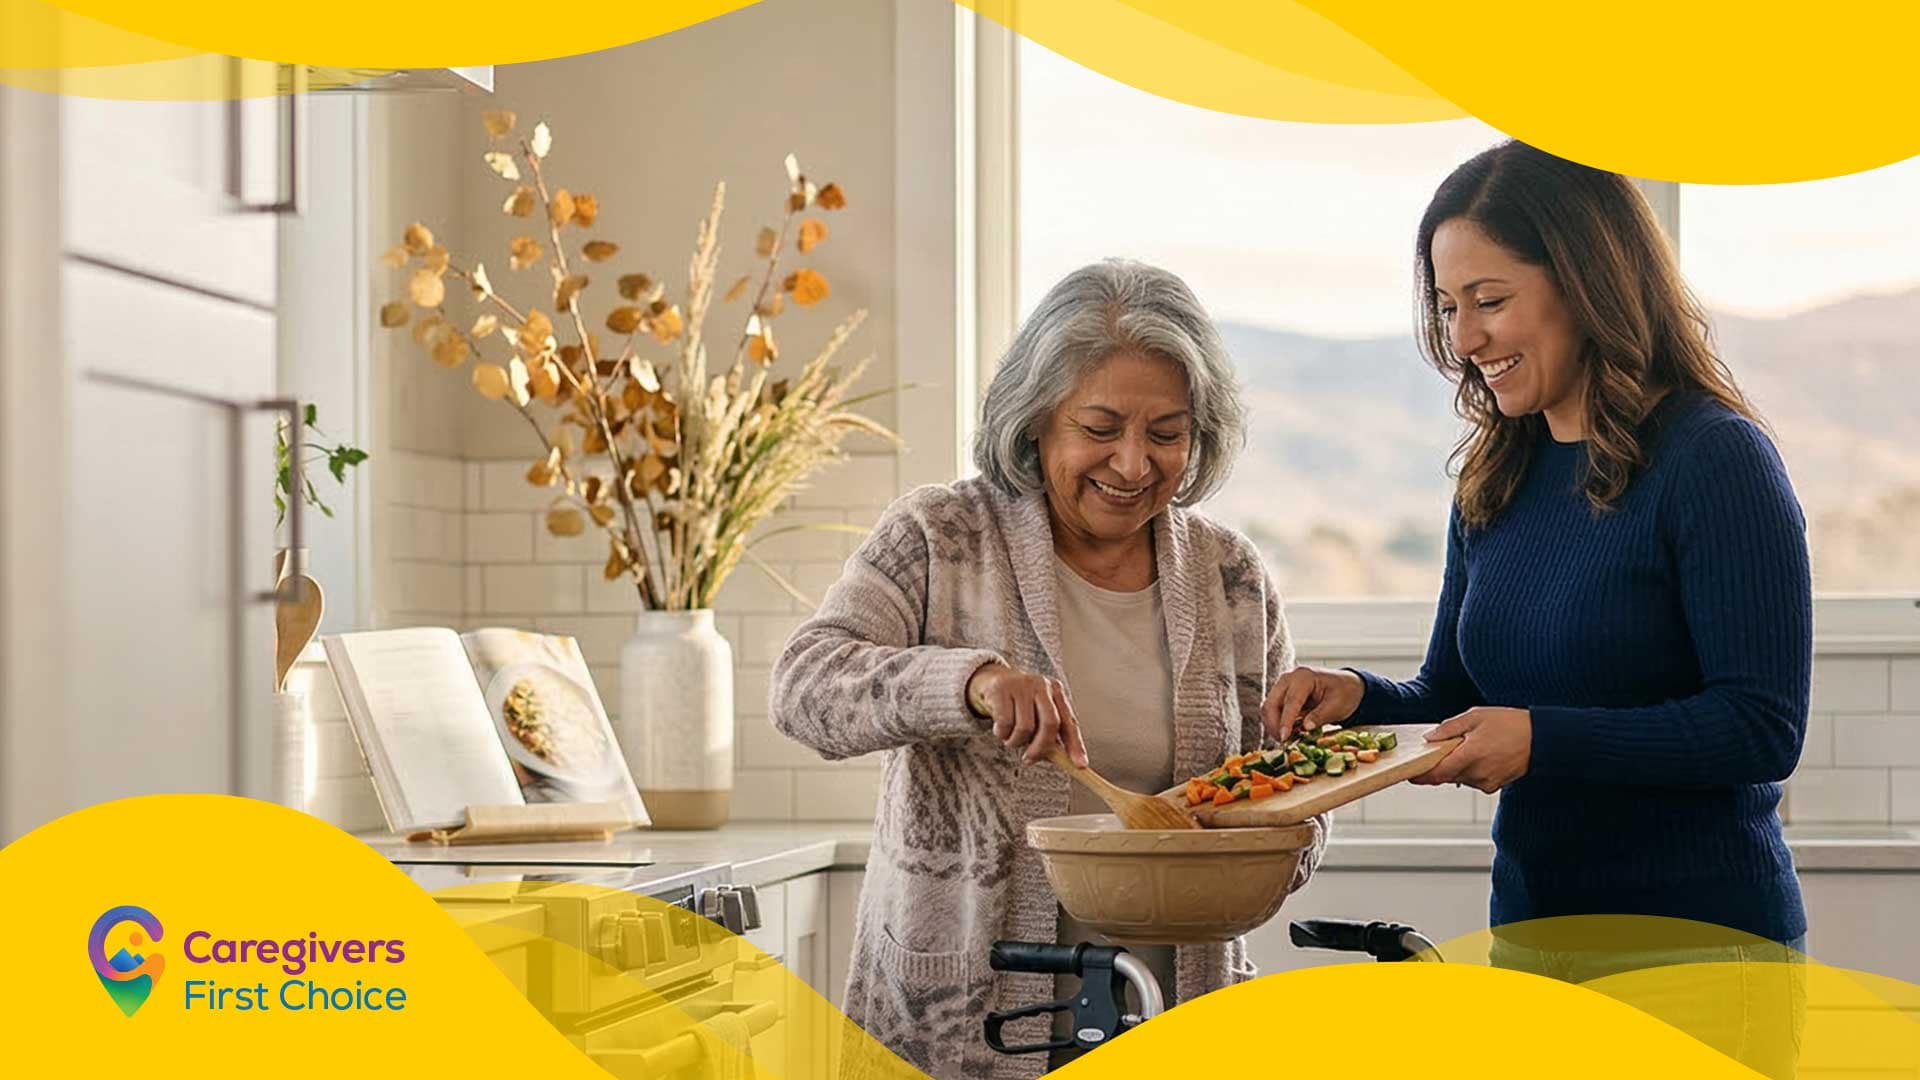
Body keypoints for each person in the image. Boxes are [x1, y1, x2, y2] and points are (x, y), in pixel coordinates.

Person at [1263, 140, 1810, 1074]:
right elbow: (1456, 694)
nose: (1465, 338)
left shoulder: (1714, 460)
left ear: (1589, 281)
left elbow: (1760, 728)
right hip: (1531, 937)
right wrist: (1355, 695)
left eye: (1490, 299)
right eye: (1447, 306)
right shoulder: (1496, 476)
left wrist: (1543, 741)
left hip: (1700, 953)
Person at [771, 259, 1325, 1080]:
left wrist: (1291, 821)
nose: (1134, 465)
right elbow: (805, 690)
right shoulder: (940, 536)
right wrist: (968, 683)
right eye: (1100, 429)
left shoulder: (1230, 576)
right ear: (1036, 422)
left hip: (1176, 1011)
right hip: (961, 1023)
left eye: (1166, 434)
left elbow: (1284, 803)